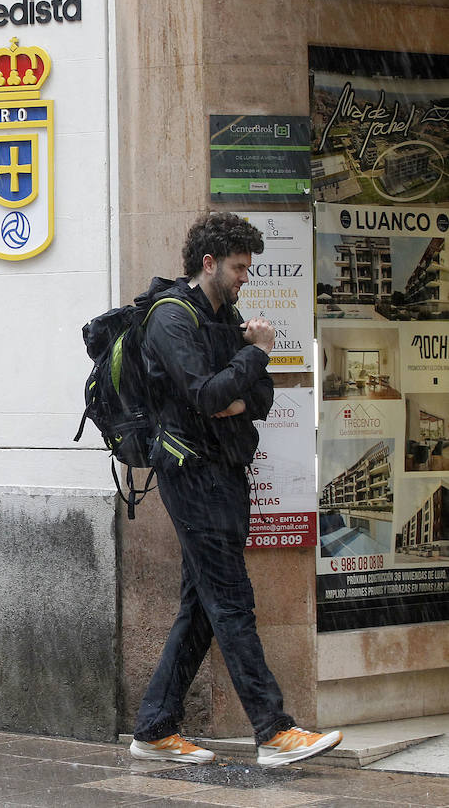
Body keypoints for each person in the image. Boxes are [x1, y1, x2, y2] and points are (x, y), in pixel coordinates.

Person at [129, 212, 342, 768]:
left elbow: (262, 397)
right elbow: (206, 395)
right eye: (240, 267)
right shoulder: (171, 321)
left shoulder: (227, 316)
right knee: (232, 602)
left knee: (202, 609)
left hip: (225, 471)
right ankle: (273, 730)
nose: (246, 277)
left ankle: (155, 727)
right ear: (210, 263)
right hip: (191, 474)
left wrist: (241, 390)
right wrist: (255, 356)